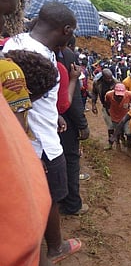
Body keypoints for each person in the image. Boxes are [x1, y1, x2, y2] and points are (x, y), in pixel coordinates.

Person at [4, 1, 83, 266]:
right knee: (49, 198)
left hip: (23, 134)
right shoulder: (41, 59)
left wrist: (55, 115)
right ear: (66, 29)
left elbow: (28, 95)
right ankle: (53, 248)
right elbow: (38, 97)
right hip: (41, 143)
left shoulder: (15, 43)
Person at [56, 43, 91, 216]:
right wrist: (82, 125)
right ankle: (72, 204)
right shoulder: (67, 56)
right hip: (64, 119)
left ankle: (60, 199)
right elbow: (71, 98)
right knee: (70, 159)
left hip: (46, 118)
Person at [104, 83, 131, 152]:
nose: (120, 97)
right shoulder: (109, 95)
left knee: (129, 133)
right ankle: (118, 144)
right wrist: (108, 111)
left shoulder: (129, 94)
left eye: (121, 95)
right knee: (117, 132)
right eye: (118, 95)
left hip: (126, 117)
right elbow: (106, 103)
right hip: (115, 117)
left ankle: (129, 150)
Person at [91, 68, 118, 149]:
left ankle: (119, 142)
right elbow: (94, 93)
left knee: (118, 125)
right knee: (110, 126)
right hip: (106, 107)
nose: (110, 80)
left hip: (116, 107)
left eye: (111, 78)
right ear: (103, 77)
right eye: (107, 78)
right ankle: (110, 144)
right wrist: (93, 104)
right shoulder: (97, 83)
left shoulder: (116, 82)